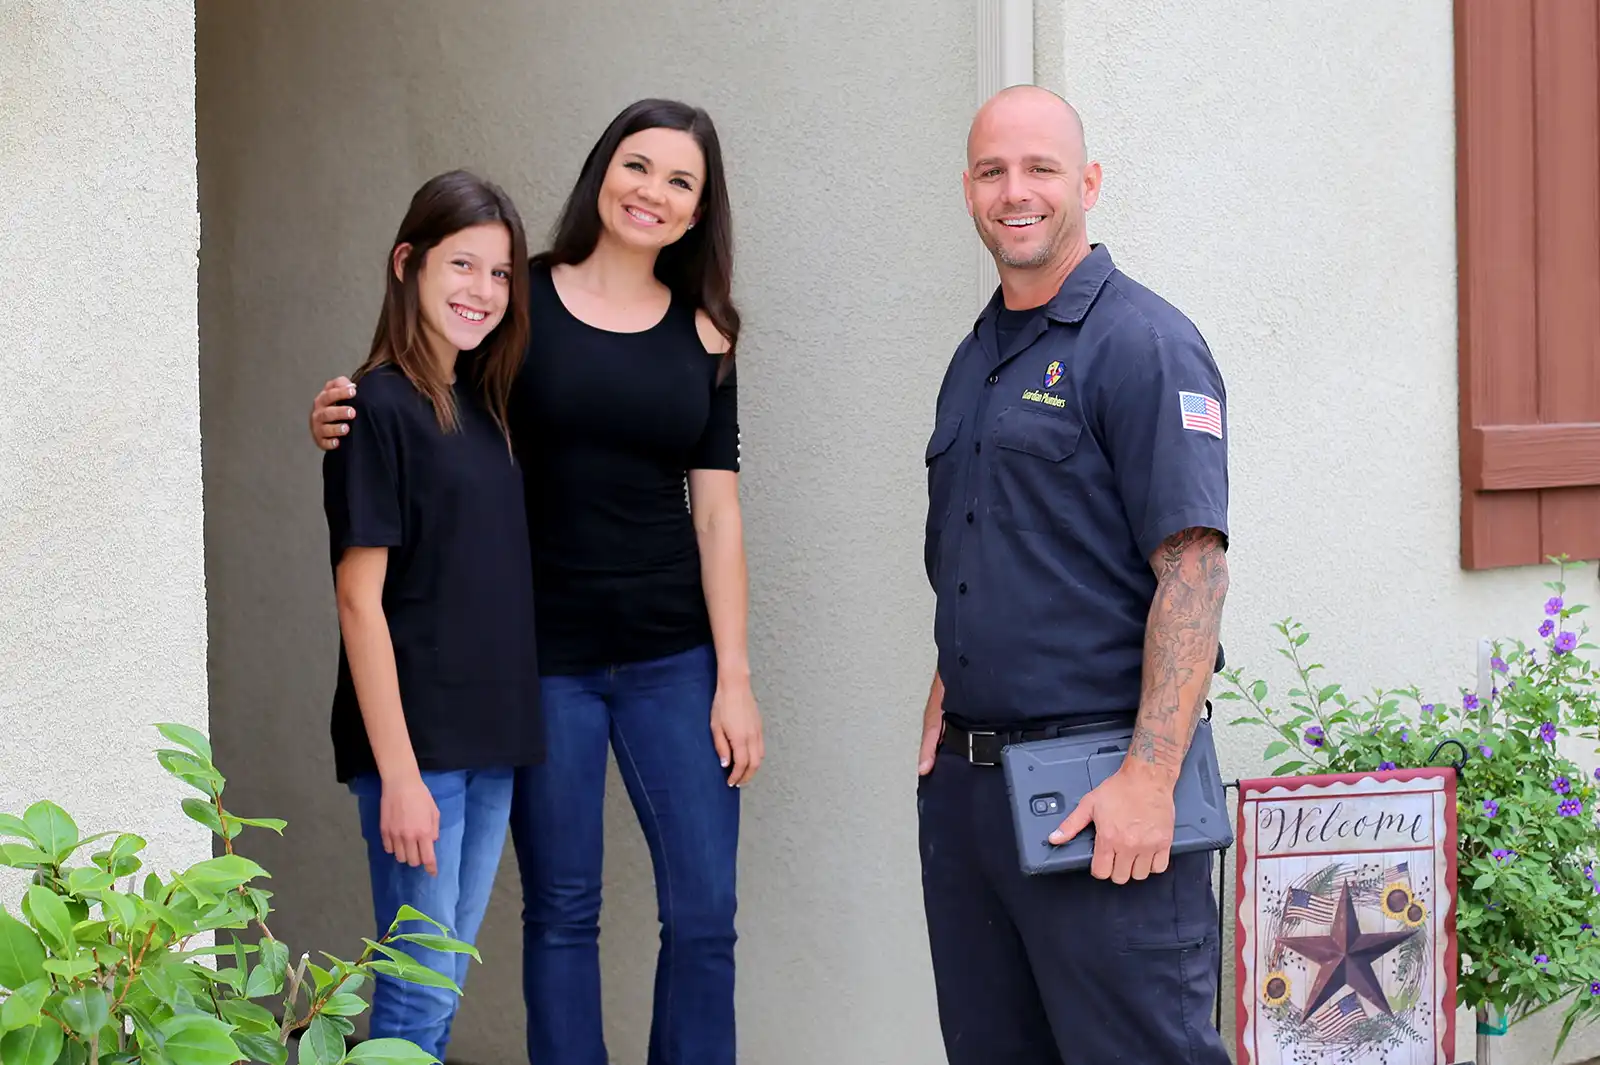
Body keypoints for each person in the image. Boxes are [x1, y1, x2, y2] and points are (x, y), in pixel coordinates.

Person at [309, 99, 761, 1065]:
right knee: (561, 909)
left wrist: (736, 675)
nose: (653, 191)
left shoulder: (709, 335)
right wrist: (339, 416)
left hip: (672, 657)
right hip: (539, 662)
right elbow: (418, 402)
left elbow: (718, 516)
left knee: (706, 911)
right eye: (637, 166)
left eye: (680, 181)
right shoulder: (519, 301)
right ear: (603, 172)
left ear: (697, 211)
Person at [916, 84, 1233, 1064]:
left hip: (1100, 794)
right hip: (969, 800)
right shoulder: (976, 356)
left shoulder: (1144, 343)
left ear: (1085, 182)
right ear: (967, 189)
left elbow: (1192, 569)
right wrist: (944, 685)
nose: (1015, 191)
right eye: (991, 170)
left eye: (1040, 168)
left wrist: (1149, 776)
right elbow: (993, 544)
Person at [321, 169, 542, 1060]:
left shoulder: (487, 409)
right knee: (414, 989)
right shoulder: (373, 408)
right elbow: (357, 599)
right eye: (462, 265)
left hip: (493, 740)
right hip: (421, 755)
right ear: (407, 263)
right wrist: (401, 774)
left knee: (439, 982)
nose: (481, 292)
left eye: (499, 274)